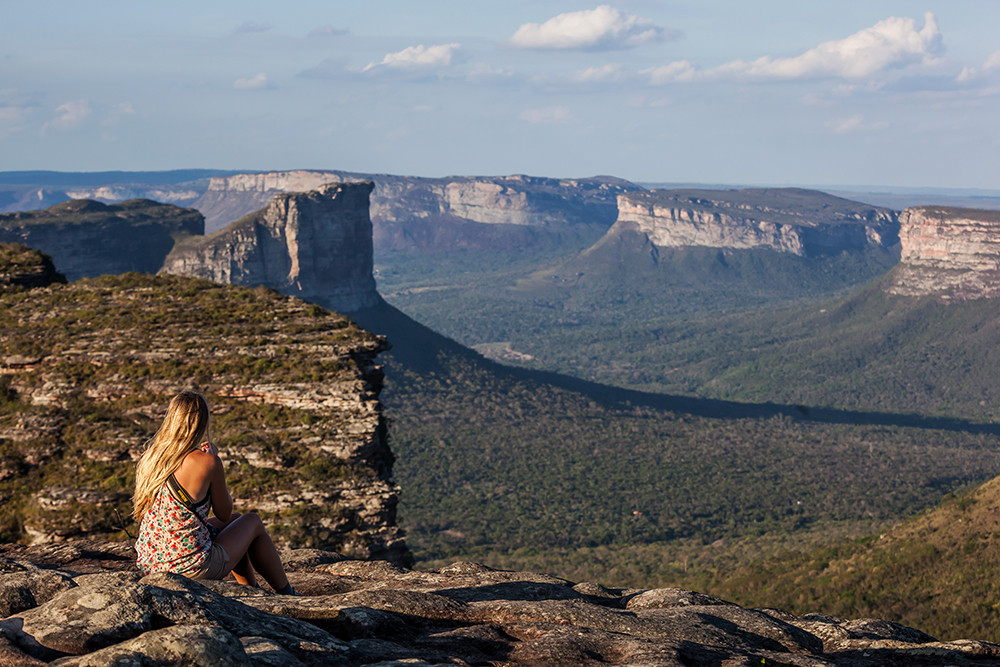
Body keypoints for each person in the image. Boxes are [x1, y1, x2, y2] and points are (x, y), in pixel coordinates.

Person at [132, 390, 297, 594]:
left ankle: (251, 590)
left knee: (237, 521)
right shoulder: (206, 462)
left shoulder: (150, 457)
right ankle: (287, 593)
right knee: (252, 521)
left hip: (152, 564)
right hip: (189, 569)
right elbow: (223, 512)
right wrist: (214, 461)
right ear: (202, 423)